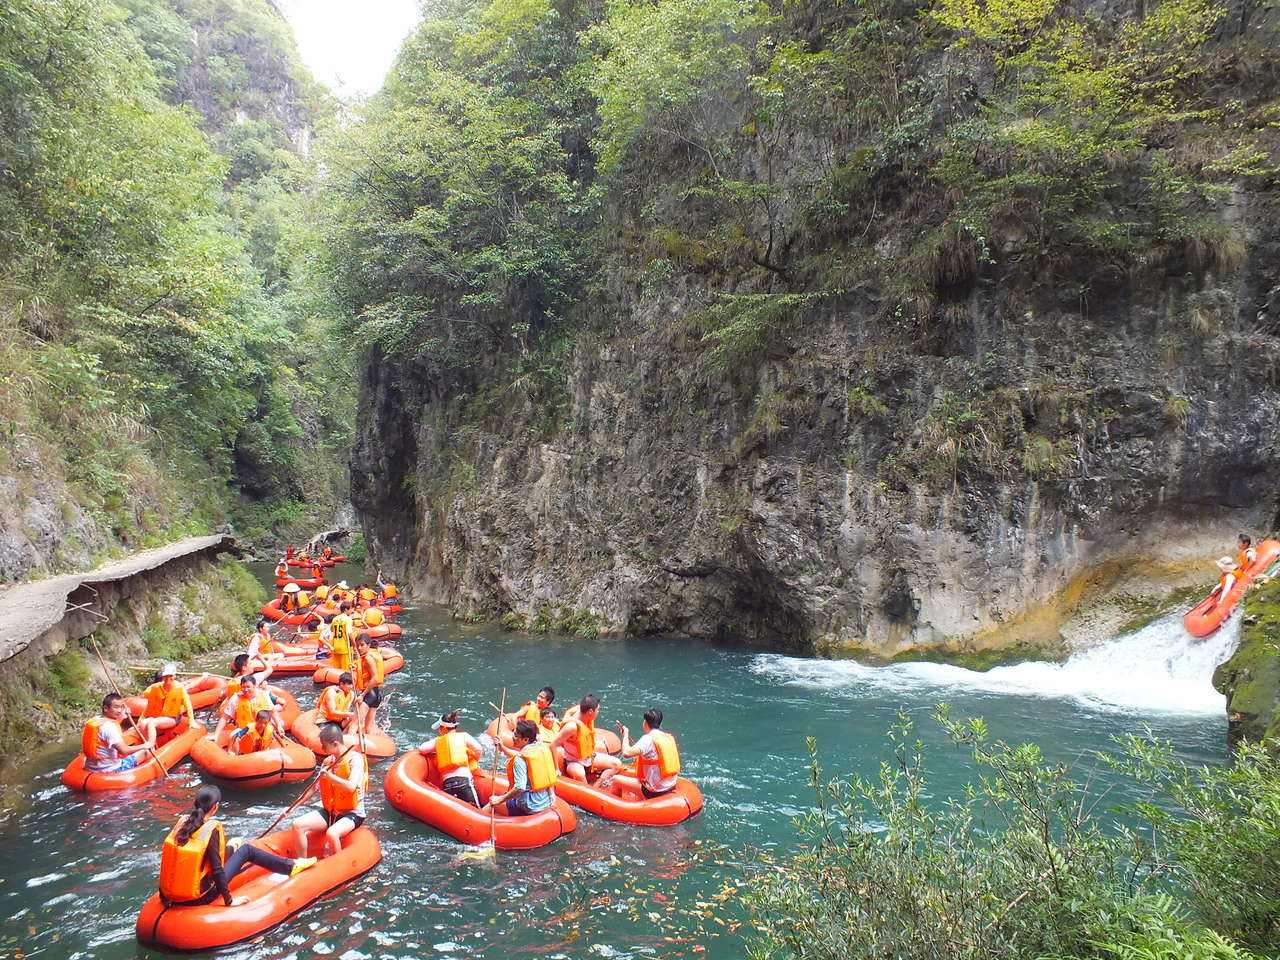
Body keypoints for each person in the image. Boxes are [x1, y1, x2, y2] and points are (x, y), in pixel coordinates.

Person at [160, 785, 315, 906]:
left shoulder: (183, 823)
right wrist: (230, 901)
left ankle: (234, 847)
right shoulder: (210, 829)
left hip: (172, 894)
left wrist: (165, 897)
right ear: (215, 807)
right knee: (247, 850)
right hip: (202, 895)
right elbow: (217, 869)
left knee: (233, 846)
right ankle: (290, 866)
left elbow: (169, 859)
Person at [291, 724, 367, 859]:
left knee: (332, 833)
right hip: (331, 811)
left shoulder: (355, 760)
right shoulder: (328, 762)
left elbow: (351, 787)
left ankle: (341, 865)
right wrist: (294, 806)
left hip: (352, 813)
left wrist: (331, 777)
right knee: (297, 825)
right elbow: (314, 788)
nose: (322, 748)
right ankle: (301, 863)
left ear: (335, 743)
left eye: (324, 745)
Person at [487, 720, 557, 817]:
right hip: (546, 801)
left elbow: (520, 788)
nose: (513, 737)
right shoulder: (541, 748)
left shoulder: (520, 760)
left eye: (516, 735)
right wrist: (502, 747)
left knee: (491, 804)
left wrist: (499, 799)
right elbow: (520, 755)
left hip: (530, 806)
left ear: (526, 740)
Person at [552, 693, 623, 786]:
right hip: (574, 761)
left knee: (617, 764)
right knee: (580, 774)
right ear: (590, 712)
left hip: (590, 757)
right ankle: (588, 792)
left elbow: (568, 712)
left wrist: (566, 718)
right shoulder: (572, 727)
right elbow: (553, 744)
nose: (598, 712)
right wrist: (556, 769)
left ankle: (596, 786)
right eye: (597, 710)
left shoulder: (580, 708)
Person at [81, 693, 160, 772]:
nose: (119, 710)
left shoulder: (95, 720)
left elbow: (112, 726)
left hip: (91, 767)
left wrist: (123, 715)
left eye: (121, 707)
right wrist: (145, 745)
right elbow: (124, 750)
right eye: (116, 707)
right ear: (105, 708)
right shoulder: (109, 727)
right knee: (147, 751)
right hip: (110, 769)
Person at [418, 712, 483, 807]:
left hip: (448, 784)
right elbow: (479, 748)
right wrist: (473, 759)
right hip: (464, 781)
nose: (438, 731)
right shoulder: (464, 736)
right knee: (477, 809)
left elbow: (422, 749)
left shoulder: (437, 741)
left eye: (439, 728)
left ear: (443, 729)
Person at [614, 709, 681, 798]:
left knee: (615, 779)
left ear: (645, 723)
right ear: (660, 724)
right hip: (670, 785)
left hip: (656, 790)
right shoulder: (667, 737)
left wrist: (625, 734)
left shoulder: (647, 739)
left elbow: (626, 753)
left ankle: (619, 806)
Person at [213, 673, 279, 744]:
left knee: (269, 732)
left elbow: (273, 711)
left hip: (262, 728)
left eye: (248, 687)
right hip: (244, 729)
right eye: (243, 687)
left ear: (254, 686)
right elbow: (225, 718)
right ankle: (234, 753)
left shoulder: (263, 695)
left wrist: (279, 726)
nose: (245, 690)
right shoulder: (235, 699)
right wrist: (216, 735)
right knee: (233, 736)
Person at [142, 663, 196, 735]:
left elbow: (188, 706)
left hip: (173, 718)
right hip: (158, 715)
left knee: (151, 723)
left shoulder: (180, 689)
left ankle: (150, 744)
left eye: (170, 676)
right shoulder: (156, 687)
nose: (168, 679)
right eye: (165, 676)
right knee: (143, 724)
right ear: (163, 677)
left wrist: (191, 721)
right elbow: (148, 704)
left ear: (174, 676)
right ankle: (146, 742)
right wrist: (141, 720)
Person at [1214, 534, 1259, 607]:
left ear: (1245, 543)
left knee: (1230, 579)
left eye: (1239, 542)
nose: (1238, 544)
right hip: (1240, 573)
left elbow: (1252, 560)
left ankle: (1223, 600)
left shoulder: (1248, 552)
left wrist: (1247, 570)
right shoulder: (1245, 552)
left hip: (1242, 576)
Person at [353, 637, 386, 734]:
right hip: (375, 693)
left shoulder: (368, 658)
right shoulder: (367, 657)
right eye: (358, 645)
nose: (359, 648)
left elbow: (375, 678)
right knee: (368, 726)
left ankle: (345, 748)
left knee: (354, 724)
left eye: (362, 645)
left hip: (369, 695)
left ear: (368, 645)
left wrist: (362, 695)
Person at [328, 603, 355, 672]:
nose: (352, 611)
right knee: (346, 670)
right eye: (351, 609)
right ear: (346, 609)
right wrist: (355, 645)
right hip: (345, 648)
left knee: (337, 670)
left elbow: (331, 630)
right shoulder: (348, 619)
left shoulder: (335, 619)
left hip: (336, 647)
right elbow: (349, 633)